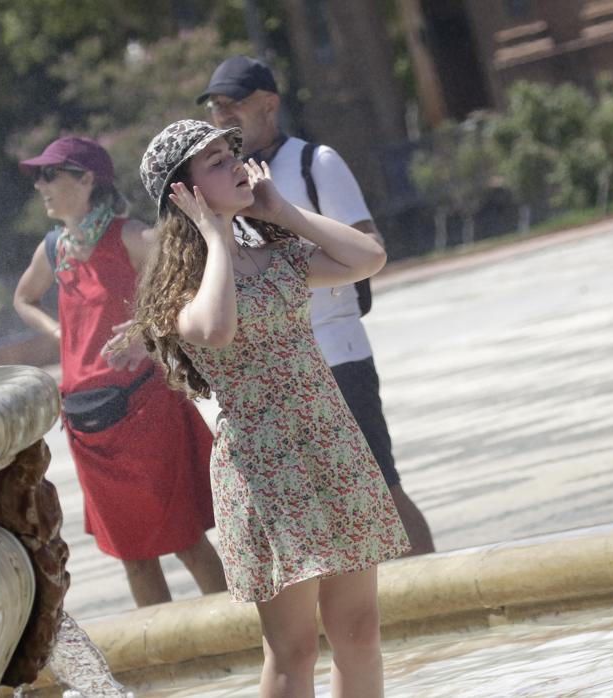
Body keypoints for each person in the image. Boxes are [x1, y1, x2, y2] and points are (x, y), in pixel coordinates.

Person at [134, 119, 409, 697]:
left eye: (231, 152)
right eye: (213, 161)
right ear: (181, 193)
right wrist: (214, 240)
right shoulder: (179, 287)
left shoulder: (277, 254)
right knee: (294, 650)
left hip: (332, 447)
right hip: (264, 471)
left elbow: (367, 259)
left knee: (359, 630)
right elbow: (215, 328)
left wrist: (283, 212)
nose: (236, 163)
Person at [200, 55, 435, 556]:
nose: (223, 117)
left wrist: (281, 216)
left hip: (337, 351)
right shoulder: (226, 187)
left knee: (380, 485)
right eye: (216, 108)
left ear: (269, 104)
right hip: (279, 367)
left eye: (233, 105)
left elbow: (367, 243)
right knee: (328, 500)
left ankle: (437, 589)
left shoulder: (315, 162)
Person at [12, 136, 226, 607]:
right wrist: (59, 334)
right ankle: (168, 668)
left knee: (186, 539)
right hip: (87, 422)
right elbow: (23, 299)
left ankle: (249, 642)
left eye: (51, 175)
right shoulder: (54, 249)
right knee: (132, 555)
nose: (41, 186)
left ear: (87, 179)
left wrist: (148, 326)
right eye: (38, 177)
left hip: (145, 406)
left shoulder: (129, 235)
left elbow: (193, 285)